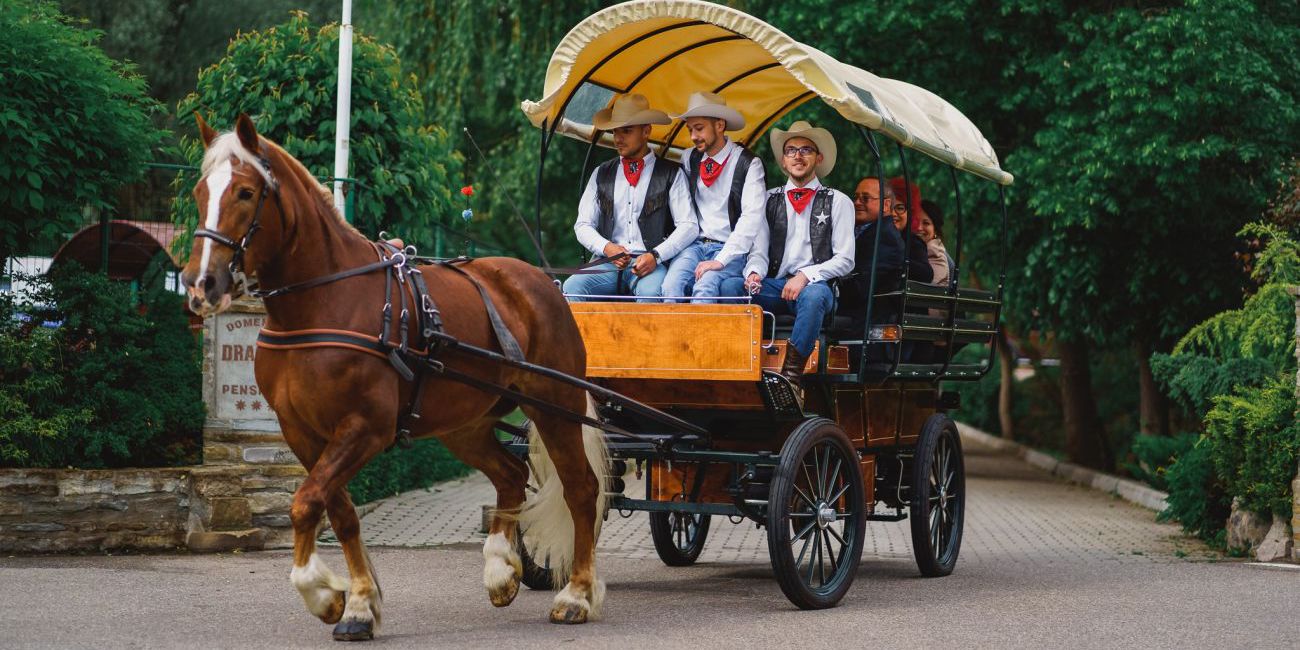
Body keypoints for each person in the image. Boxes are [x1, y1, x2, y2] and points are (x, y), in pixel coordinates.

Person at [741, 121, 855, 385]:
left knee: (814, 298)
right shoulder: (769, 199)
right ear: (783, 160)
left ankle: (790, 378)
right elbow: (758, 251)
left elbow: (846, 259)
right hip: (775, 286)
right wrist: (754, 272)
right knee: (729, 287)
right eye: (791, 150)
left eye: (806, 150)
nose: (798, 156)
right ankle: (738, 366)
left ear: (819, 158)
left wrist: (806, 275)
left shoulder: (837, 201)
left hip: (817, 287)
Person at [563, 94, 698, 301]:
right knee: (573, 286)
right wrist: (607, 248)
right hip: (607, 262)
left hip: (652, 263)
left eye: (626, 131)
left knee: (652, 293)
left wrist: (656, 255)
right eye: (615, 131)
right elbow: (582, 225)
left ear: (646, 131)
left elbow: (688, 225)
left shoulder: (671, 173)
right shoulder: (601, 173)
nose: (618, 138)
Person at [660, 91, 767, 302]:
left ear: (720, 125)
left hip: (729, 246)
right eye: (690, 129)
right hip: (695, 245)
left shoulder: (748, 163)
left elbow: (751, 217)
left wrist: (721, 259)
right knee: (670, 286)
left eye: (699, 129)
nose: (693, 136)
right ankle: (673, 336)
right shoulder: (689, 157)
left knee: (705, 287)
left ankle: (701, 336)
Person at [839, 176, 905, 323]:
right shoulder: (861, 230)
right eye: (855, 197)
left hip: (862, 322)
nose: (857, 203)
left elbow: (861, 287)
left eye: (865, 198)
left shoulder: (885, 237)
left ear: (886, 205)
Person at [887, 177, 935, 284]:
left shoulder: (913, 242)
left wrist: (892, 258)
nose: (893, 214)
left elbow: (926, 274)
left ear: (910, 212)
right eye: (889, 208)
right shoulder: (872, 234)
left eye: (900, 208)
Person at [918, 198, 954, 287]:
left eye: (926, 223)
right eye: (916, 221)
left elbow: (925, 289)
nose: (919, 227)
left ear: (936, 229)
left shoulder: (935, 253)